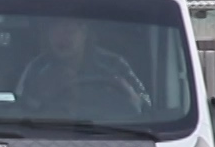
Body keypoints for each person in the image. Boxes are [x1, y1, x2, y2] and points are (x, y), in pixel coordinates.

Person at [16, 18, 148, 116]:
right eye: (55, 32)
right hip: (49, 135)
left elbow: (143, 104)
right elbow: (19, 111)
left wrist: (122, 91)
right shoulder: (37, 68)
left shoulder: (114, 65)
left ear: (84, 33)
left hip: (108, 133)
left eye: (69, 31)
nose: (62, 38)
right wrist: (43, 93)